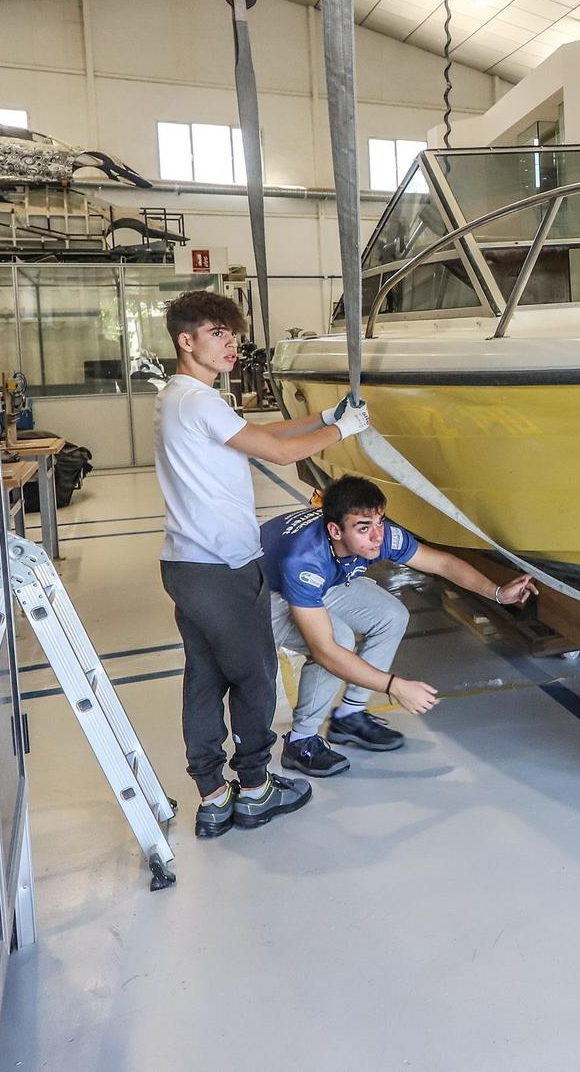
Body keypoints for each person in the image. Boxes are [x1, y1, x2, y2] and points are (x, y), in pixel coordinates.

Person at [155, 290, 371, 839]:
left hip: (187, 566)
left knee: (204, 679)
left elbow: (261, 436)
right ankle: (254, 788)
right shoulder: (198, 400)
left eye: (233, 333)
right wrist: (343, 432)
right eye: (218, 333)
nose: (233, 343)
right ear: (187, 340)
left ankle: (211, 795)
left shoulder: (183, 397)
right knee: (255, 677)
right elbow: (276, 454)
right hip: (224, 568)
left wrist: (321, 417)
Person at [262, 476, 535, 776]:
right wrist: (395, 686)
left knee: (391, 615)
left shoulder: (377, 536)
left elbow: (442, 564)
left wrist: (498, 593)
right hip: (262, 596)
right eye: (364, 528)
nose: (377, 536)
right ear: (335, 530)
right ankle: (301, 742)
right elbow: (324, 651)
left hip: (324, 579)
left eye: (379, 522)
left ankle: (349, 717)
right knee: (336, 640)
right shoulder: (303, 560)